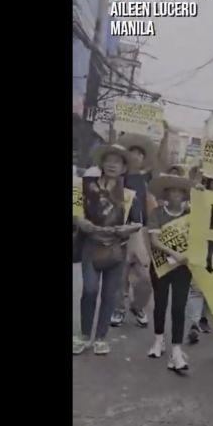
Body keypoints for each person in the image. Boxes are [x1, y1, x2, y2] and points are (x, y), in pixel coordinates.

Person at [73, 145, 142, 355]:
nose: (112, 165)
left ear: (124, 168)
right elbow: (76, 210)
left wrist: (126, 229)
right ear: (102, 164)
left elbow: (137, 223)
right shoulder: (85, 186)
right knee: (89, 290)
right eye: (109, 160)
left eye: (117, 162)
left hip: (116, 250)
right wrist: (80, 221)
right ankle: (84, 335)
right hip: (91, 246)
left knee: (109, 295)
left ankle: (101, 337)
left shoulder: (129, 195)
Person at [145, 172, 196, 374]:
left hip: (183, 269)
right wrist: (175, 253)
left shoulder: (191, 215)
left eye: (179, 191)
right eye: (171, 191)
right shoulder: (157, 213)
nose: (175, 194)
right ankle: (158, 340)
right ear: (166, 194)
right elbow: (154, 241)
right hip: (161, 266)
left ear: (184, 195)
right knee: (160, 304)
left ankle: (176, 349)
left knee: (178, 307)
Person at [109, 134, 157, 329]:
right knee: (120, 275)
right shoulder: (117, 178)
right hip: (119, 230)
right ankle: (118, 309)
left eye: (140, 153)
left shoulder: (147, 179)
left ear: (143, 159)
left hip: (140, 232)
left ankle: (137, 307)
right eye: (132, 152)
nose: (136, 156)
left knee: (146, 278)